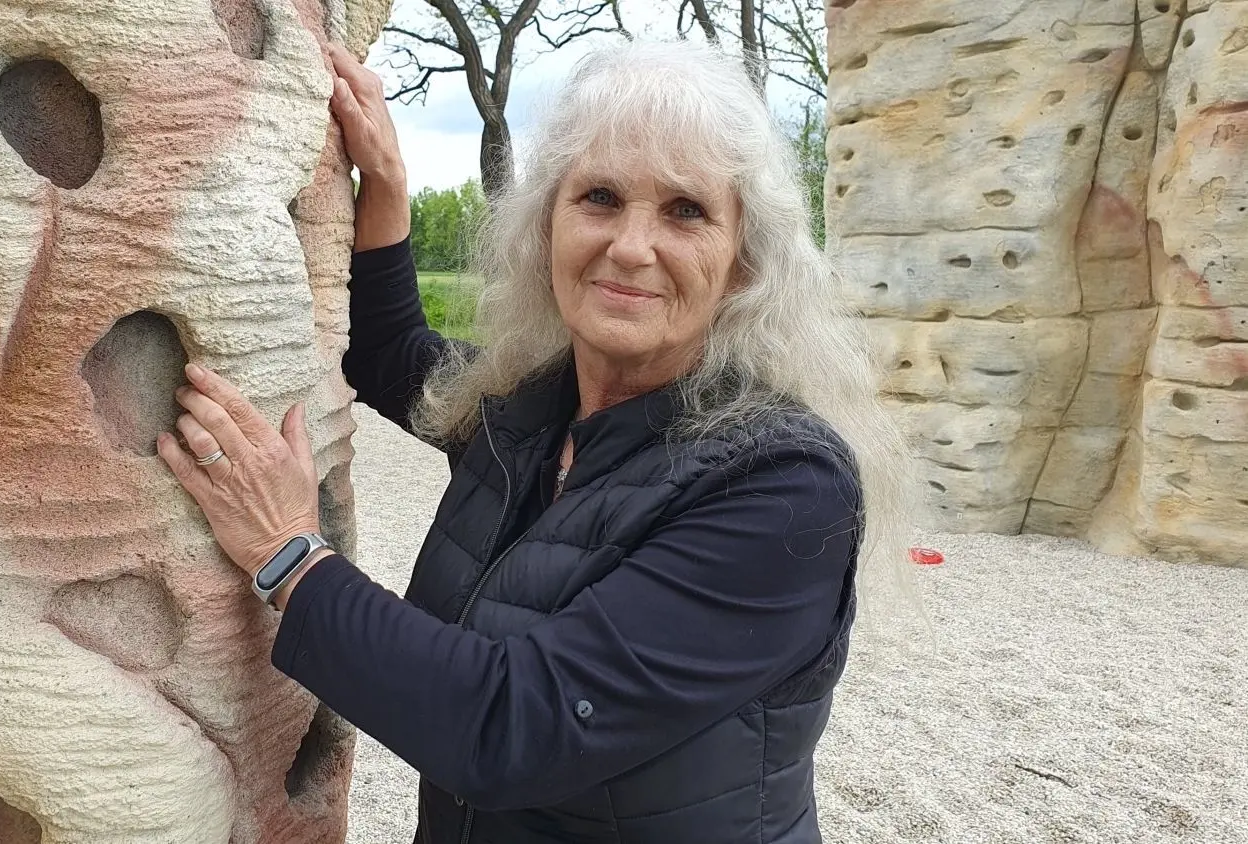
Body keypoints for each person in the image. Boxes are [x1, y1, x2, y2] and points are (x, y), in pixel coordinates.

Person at [158, 38, 909, 844]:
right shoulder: (527, 409)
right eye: (600, 198)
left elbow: (515, 725)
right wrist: (386, 184)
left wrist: (287, 553)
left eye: (685, 211)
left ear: (743, 263)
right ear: (547, 225)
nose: (630, 246)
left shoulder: (783, 484)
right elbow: (388, 353)